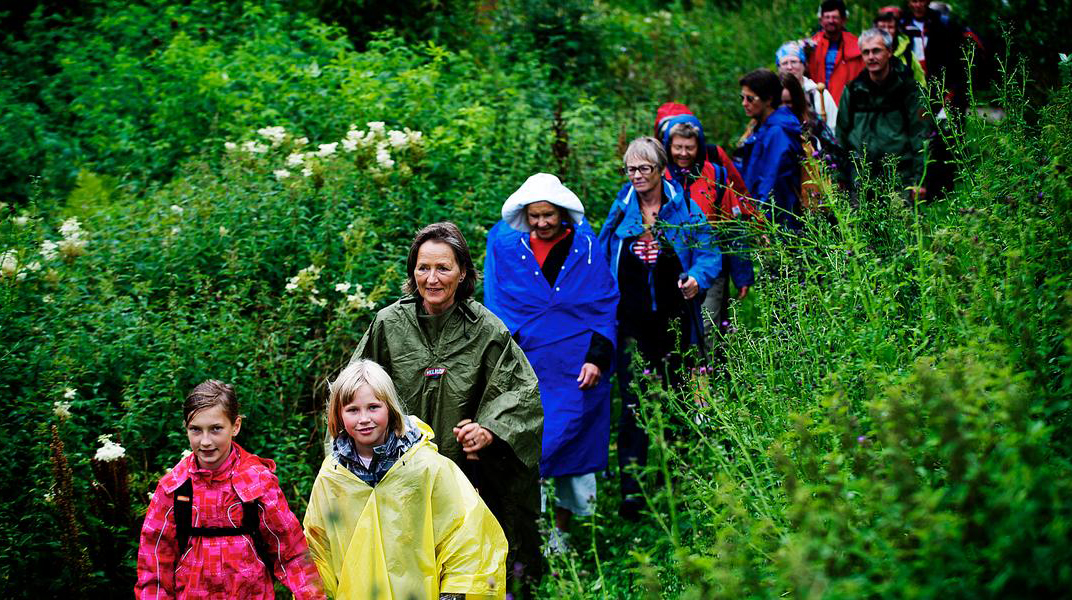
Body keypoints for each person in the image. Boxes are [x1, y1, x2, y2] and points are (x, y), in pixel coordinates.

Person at [350, 222, 544, 591]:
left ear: (463, 273)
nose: (432, 278)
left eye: (443, 268)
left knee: (464, 564)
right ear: (412, 272)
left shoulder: (485, 328)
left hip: (468, 479)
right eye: (423, 268)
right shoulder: (389, 324)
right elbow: (354, 389)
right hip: (399, 474)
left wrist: (488, 429)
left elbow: (520, 391)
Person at [483, 173, 618, 552]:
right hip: (529, 368)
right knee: (529, 447)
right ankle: (531, 532)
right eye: (534, 216)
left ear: (562, 213)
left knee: (573, 449)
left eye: (548, 215)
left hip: (578, 371)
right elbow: (498, 305)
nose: (541, 223)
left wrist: (597, 358)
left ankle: (562, 534)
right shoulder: (507, 246)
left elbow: (604, 303)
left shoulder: (586, 247)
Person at [304, 359, 507, 599]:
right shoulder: (333, 477)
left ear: (389, 408)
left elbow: (467, 530)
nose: (364, 418)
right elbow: (318, 546)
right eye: (352, 410)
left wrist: (455, 590)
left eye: (373, 407)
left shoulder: (425, 467)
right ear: (338, 414)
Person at [597, 136, 722, 521]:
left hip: (673, 321)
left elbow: (709, 253)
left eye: (643, 169)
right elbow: (602, 257)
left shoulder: (683, 210)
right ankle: (633, 492)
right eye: (630, 169)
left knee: (676, 398)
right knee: (633, 402)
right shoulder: (621, 213)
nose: (636, 175)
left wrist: (697, 279)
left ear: (660, 169)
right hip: (631, 324)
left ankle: (678, 483)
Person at [136, 381, 323, 600]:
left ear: (235, 426)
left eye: (216, 429)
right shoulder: (173, 489)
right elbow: (154, 564)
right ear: (186, 428)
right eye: (195, 429)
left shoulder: (257, 483)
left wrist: (312, 596)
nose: (205, 441)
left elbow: (291, 552)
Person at [655, 106, 759, 345]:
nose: (683, 153)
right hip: (671, 267)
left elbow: (732, 226)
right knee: (675, 331)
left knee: (708, 328)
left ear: (699, 146)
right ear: (668, 147)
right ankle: (680, 379)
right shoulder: (660, 179)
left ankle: (706, 377)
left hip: (712, 266)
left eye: (689, 147)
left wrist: (742, 273)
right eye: (677, 147)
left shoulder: (717, 176)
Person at [836, 28, 929, 199]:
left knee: (903, 223)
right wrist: (840, 177)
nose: (871, 57)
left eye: (876, 50)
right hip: (861, 176)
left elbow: (920, 136)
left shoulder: (909, 89)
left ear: (889, 52)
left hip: (899, 175)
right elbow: (841, 135)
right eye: (866, 52)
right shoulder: (853, 90)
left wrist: (919, 179)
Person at [737, 69, 804, 231]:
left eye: (750, 98)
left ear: (769, 99)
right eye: (742, 97)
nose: (744, 103)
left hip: (778, 222)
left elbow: (771, 182)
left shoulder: (778, 133)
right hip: (766, 217)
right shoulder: (761, 127)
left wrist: (760, 221)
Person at [807, 0, 864, 106]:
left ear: (843, 20)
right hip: (818, 103)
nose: (831, 21)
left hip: (847, 104)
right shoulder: (810, 46)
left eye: (835, 17)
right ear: (821, 20)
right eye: (827, 17)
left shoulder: (857, 46)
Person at [777, 40, 839, 132]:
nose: (789, 67)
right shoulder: (774, 94)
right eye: (785, 63)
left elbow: (834, 128)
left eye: (794, 62)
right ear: (779, 67)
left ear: (804, 65)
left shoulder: (819, 94)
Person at [874, 6, 926, 86]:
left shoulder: (907, 55)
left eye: (890, 27)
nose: (886, 31)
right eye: (882, 27)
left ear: (896, 30)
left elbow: (920, 83)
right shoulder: (867, 52)